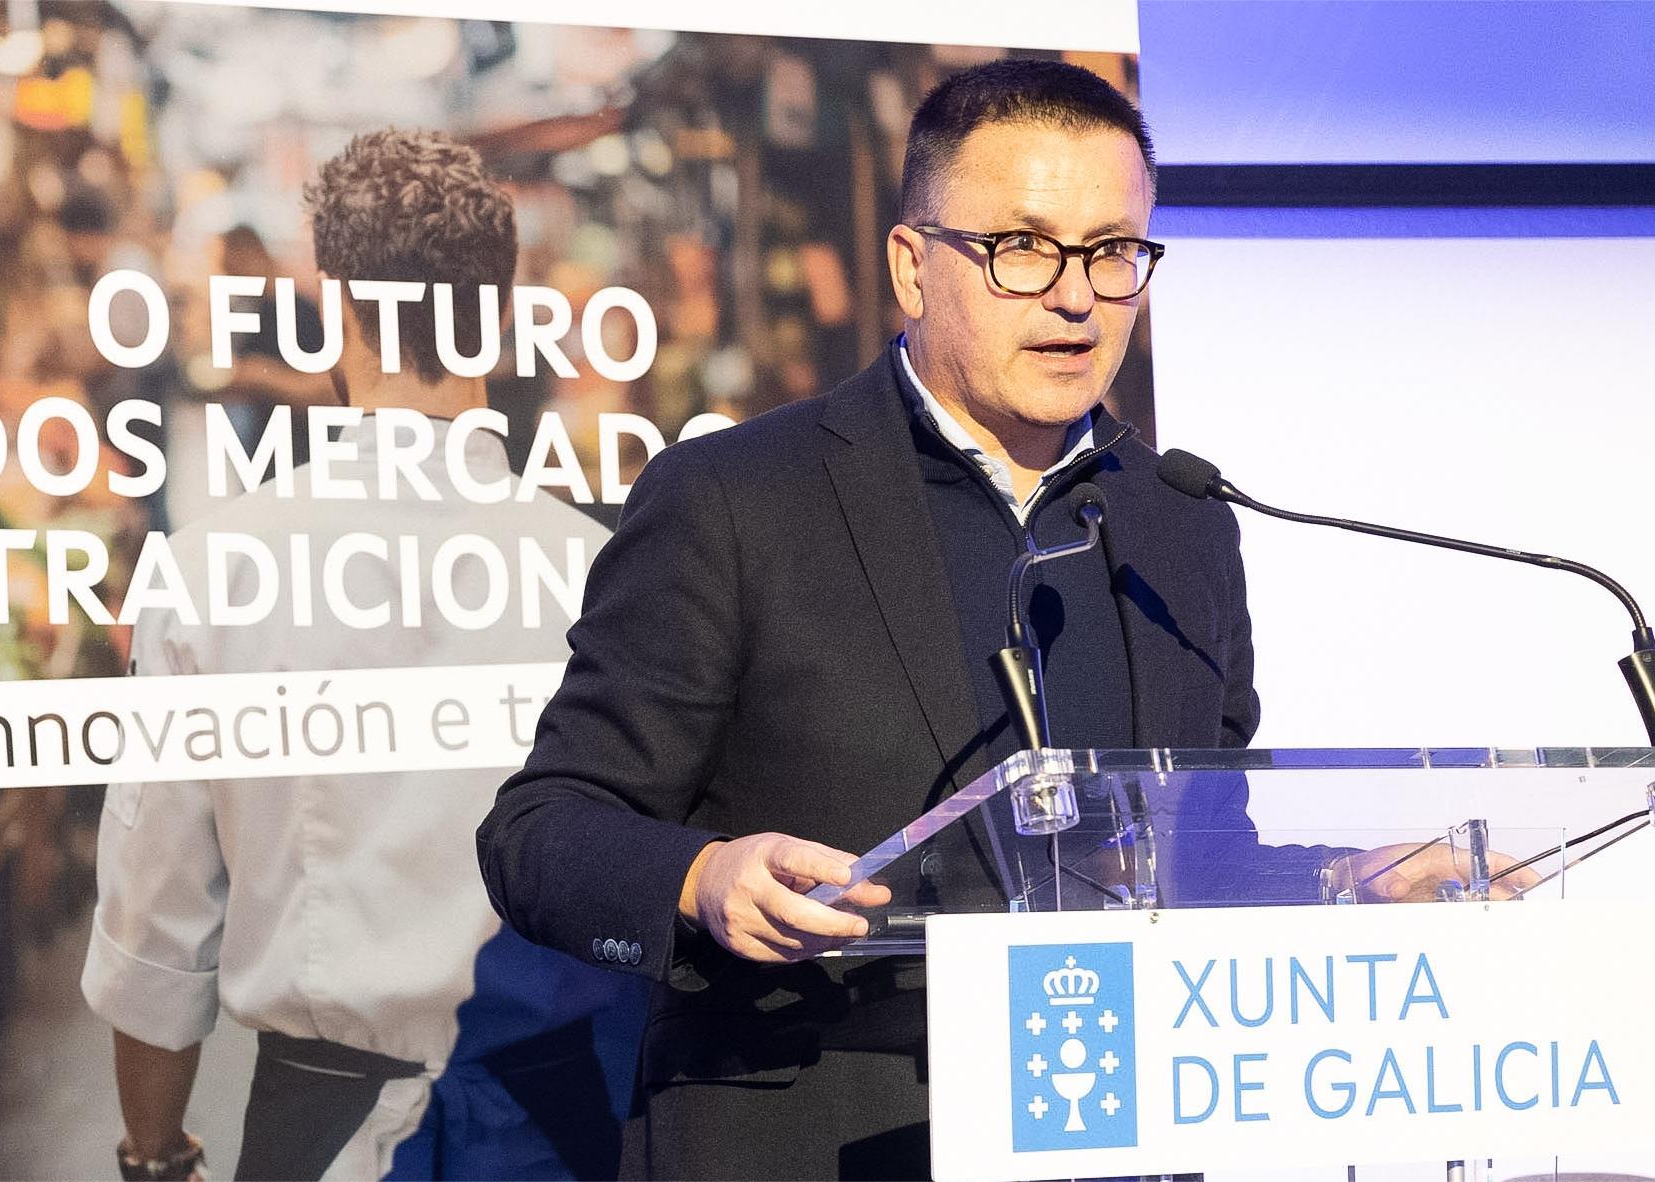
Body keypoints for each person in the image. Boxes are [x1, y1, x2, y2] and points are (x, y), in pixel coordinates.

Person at [476, 59, 1520, 1180]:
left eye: (1112, 251)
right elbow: (542, 831)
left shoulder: (1182, 521)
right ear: (911, 266)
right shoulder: (734, 500)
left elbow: (1193, 863)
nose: (1075, 296)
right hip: (823, 1140)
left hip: (1122, 1135)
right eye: (1022, 247)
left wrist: (1351, 877)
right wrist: (703, 879)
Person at [85, 129, 643, 1182]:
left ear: (336, 307)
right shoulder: (603, 575)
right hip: (563, 1129)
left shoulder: (210, 573)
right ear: (501, 312)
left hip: (321, 1135)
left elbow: (156, 926)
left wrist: (154, 1158)